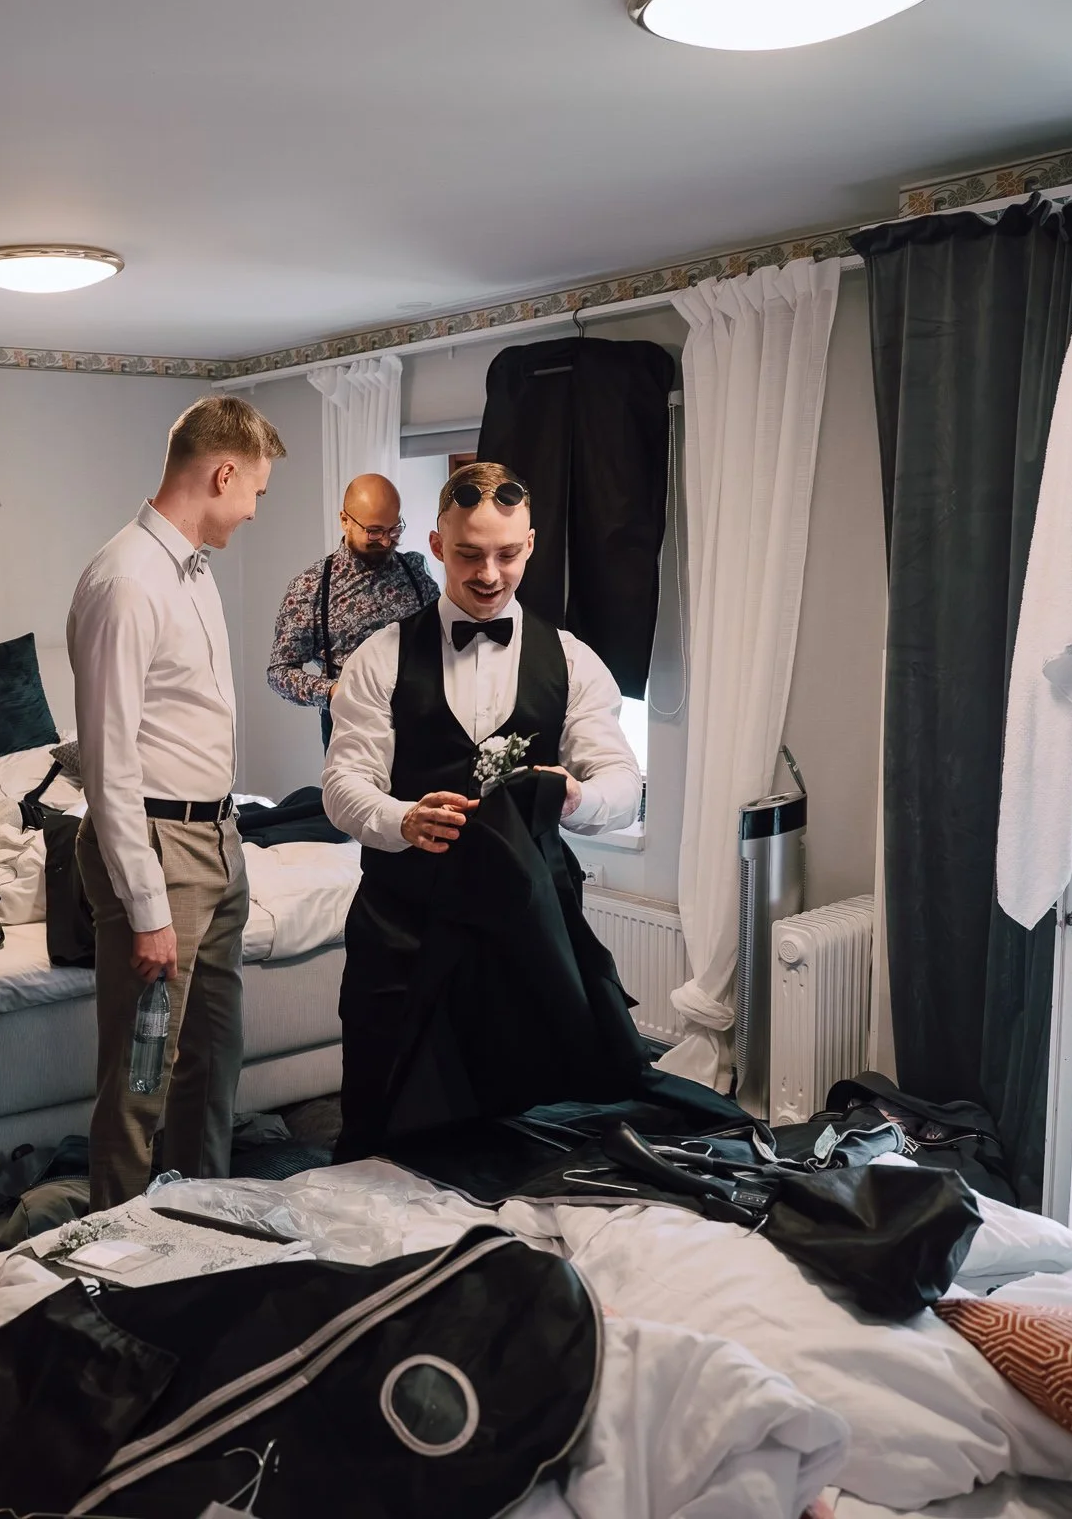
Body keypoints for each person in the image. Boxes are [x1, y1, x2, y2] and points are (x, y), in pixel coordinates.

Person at [321, 461, 644, 1159]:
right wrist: (402, 819)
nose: (489, 574)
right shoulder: (379, 658)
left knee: (519, 1136)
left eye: (506, 554)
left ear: (530, 546)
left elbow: (624, 785)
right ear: (437, 546)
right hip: (402, 924)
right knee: (378, 1117)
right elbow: (343, 786)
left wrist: (579, 795)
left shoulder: (573, 660)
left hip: (524, 925)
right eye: (469, 554)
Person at [67, 395, 286, 1210]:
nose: (255, 509)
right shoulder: (128, 580)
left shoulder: (193, 569)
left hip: (219, 836)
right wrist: (148, 907)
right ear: (224, 473)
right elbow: (107, 761)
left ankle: (200, 1219)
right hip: (157, 846)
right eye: (256, 490)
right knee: (141, 1072)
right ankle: (116, 1240)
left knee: (214, 1057)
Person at [269, 473, 436, 745]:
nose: (386, 541)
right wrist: (334, 692)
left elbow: (440, 637)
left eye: (394, 530)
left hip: (421, 721)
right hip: (351, 731)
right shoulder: (310, 586)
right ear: (345, 520)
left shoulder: (415, 570)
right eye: (374, 532)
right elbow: (279, 672)